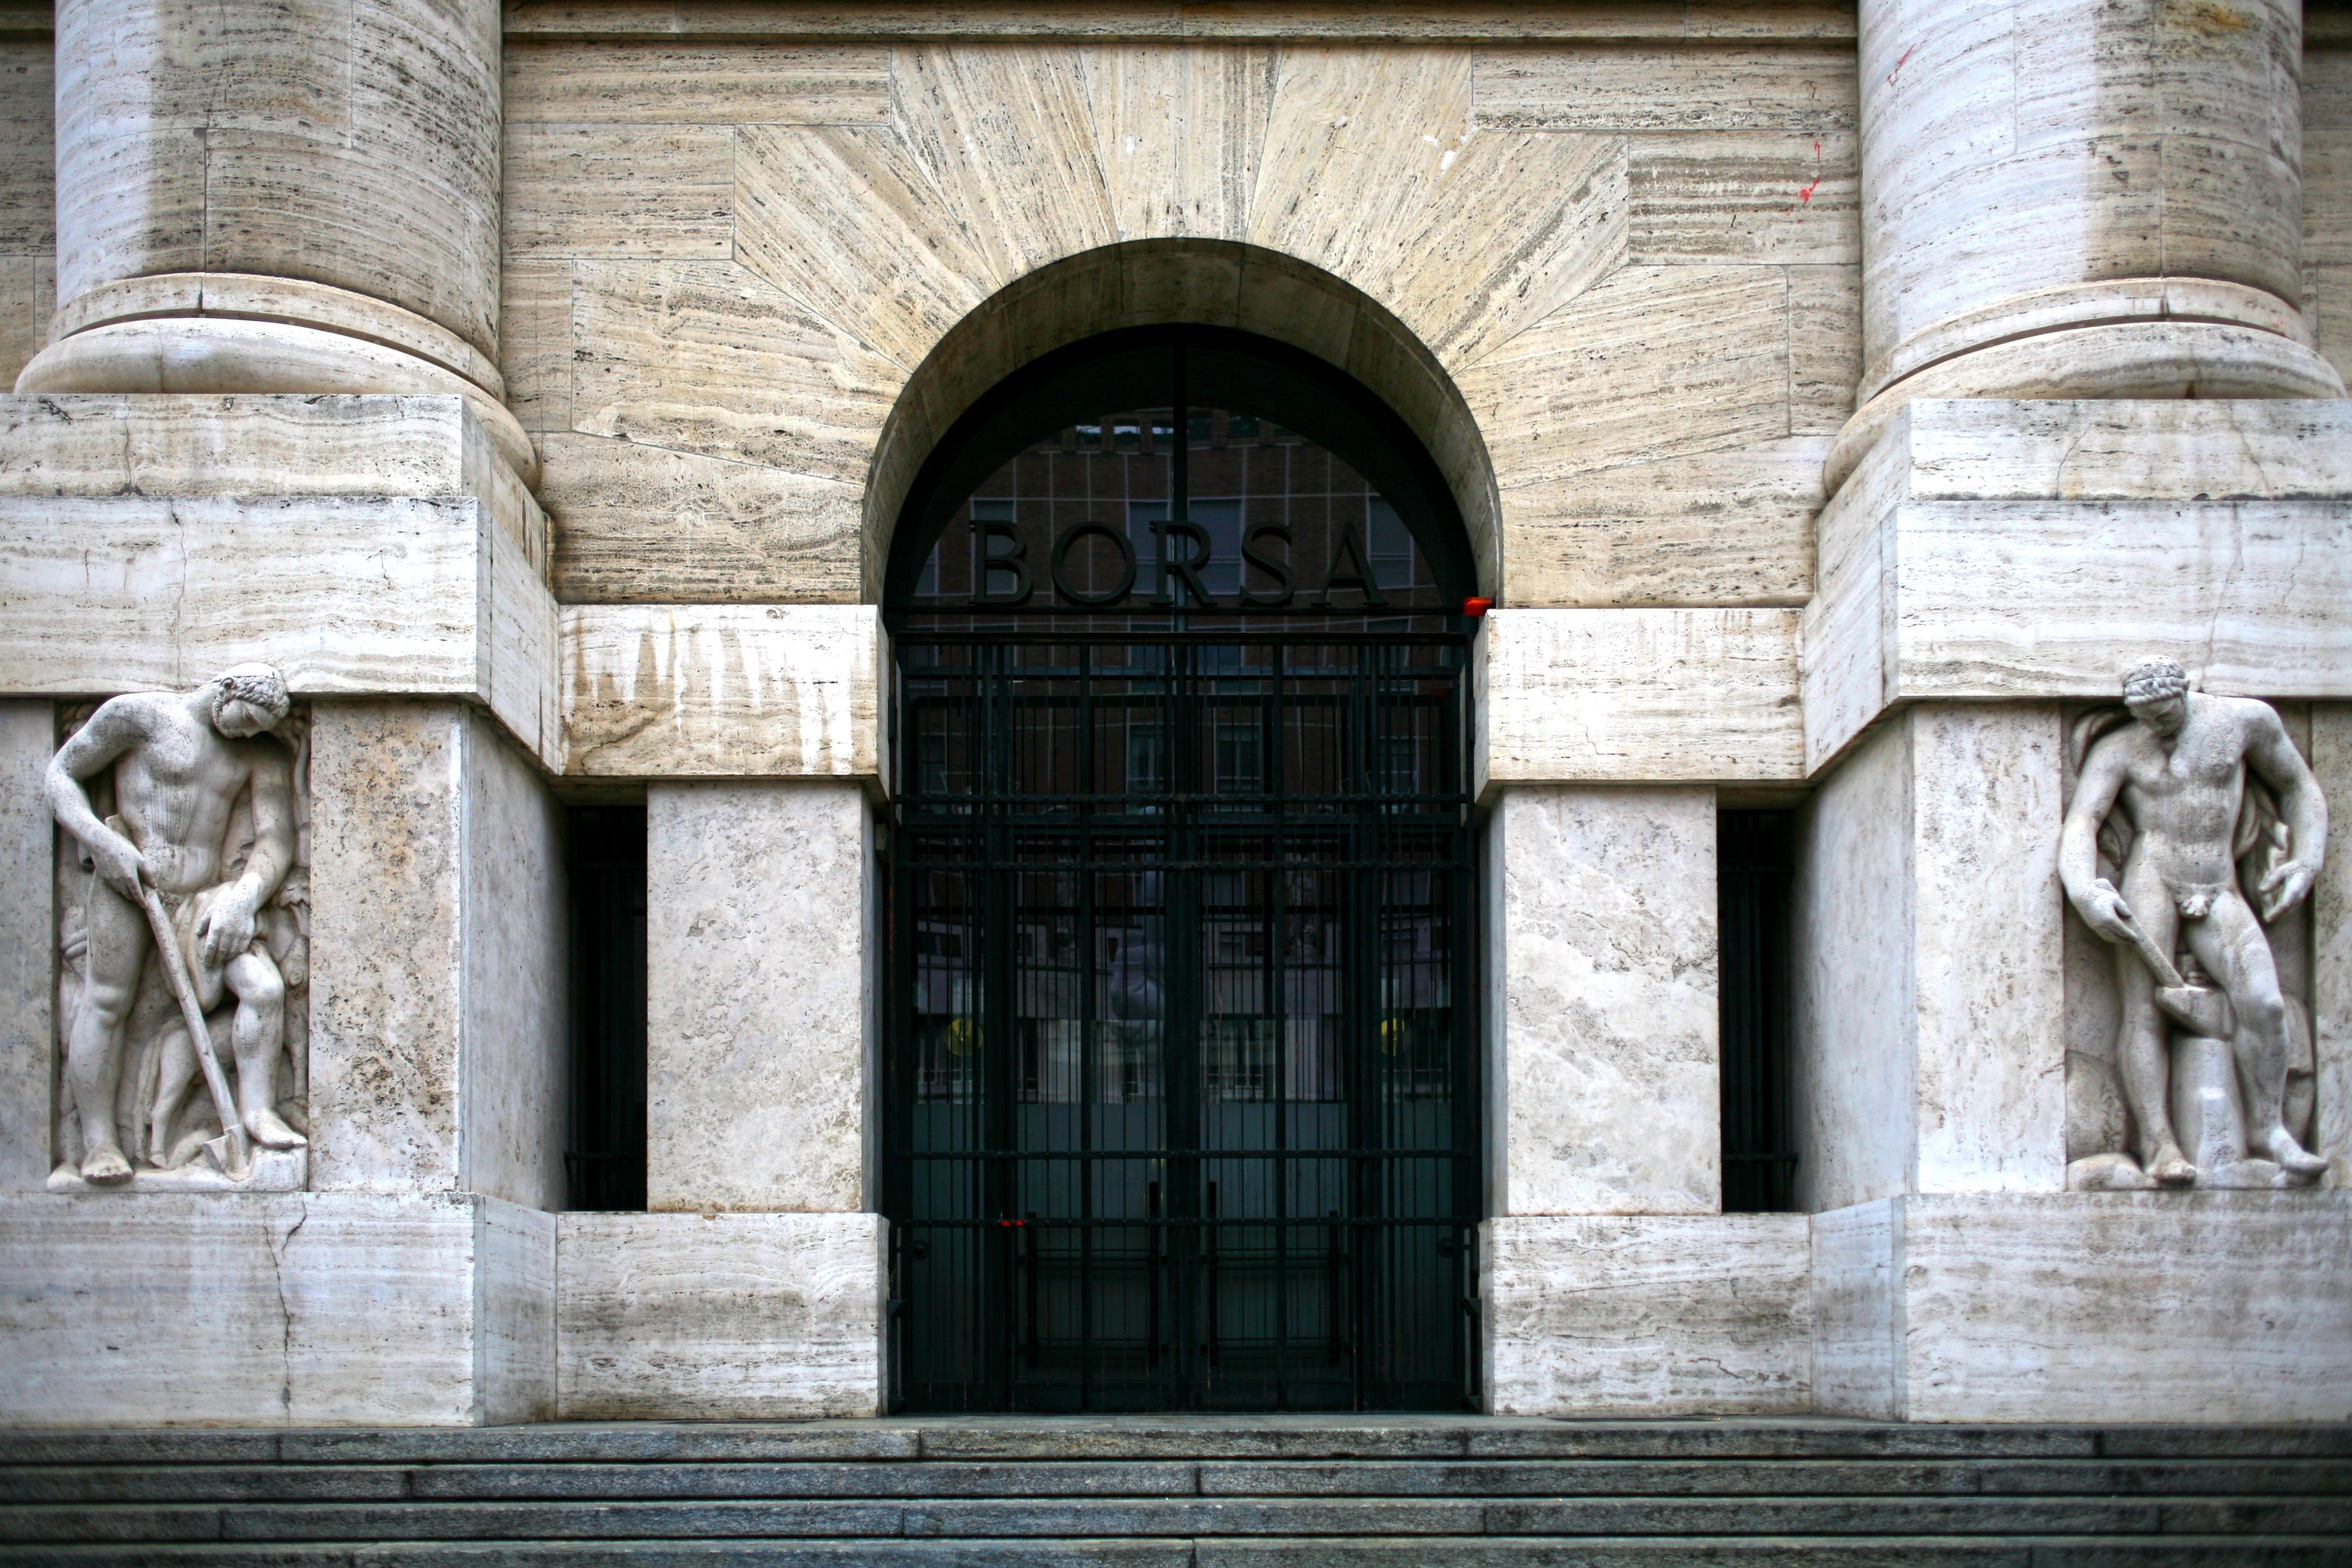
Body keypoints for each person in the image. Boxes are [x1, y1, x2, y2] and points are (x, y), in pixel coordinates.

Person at [2060, 656, 2328, 1184]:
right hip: (2152, 876)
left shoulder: (2243, 722)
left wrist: (2307, 860)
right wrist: (2086, 889)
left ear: (2183, 691)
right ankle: (2160, 1143)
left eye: (2163, 714)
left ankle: (2271, 1130)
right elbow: (2082, 822)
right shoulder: (2121, 748)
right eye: (2145, 717)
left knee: (2266, 1004)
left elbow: (2299, 785)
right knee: (2143, 1013)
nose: (2155, 727)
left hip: (2217, 881)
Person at [45, 664, 306, 1181]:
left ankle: (257, 1110)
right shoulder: (139, 716)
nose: (251, 733)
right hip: (130, 884)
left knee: (263, 987)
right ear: (227, 690)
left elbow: (277, 839)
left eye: (259, 727)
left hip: (206, 898)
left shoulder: (262, 751)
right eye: (247, 720)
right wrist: (103, 844)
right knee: (106, 1000)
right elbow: (61, 777)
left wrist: (245, 899)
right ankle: (99, 1144)